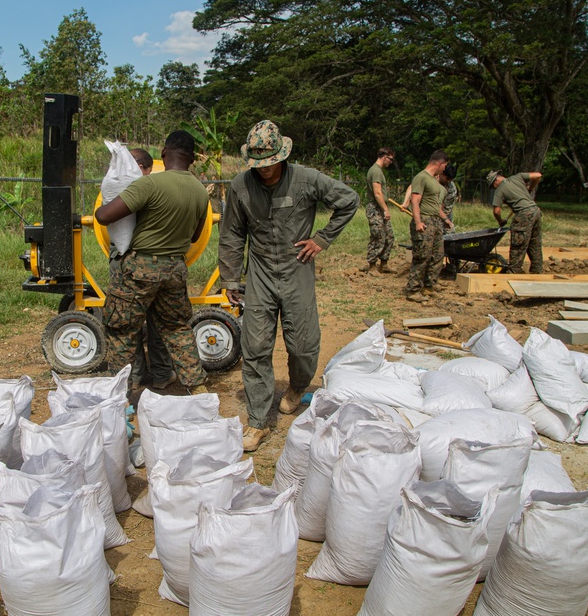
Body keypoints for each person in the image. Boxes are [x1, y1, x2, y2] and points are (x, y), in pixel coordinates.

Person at [219, 120, 360, 452]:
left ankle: (296, 388)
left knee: (303, 344)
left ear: (281, 155)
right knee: (254, 348)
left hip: (298, 270)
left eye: (269, 163)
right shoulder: (241, 186)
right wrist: (230, 277)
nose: (264, 171)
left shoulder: (307, 179)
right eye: (258, 165)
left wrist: (322, 239)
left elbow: (348, 200)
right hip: (260, 274)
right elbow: (232, 234)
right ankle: (257, 421)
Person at [96, 131, 209, 394]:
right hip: (175, 270)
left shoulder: (150, 185)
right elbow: (194, 236)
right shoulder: (201, 192)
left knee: (122, 331)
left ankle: (119, 397)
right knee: (177, 328)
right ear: (192, 158)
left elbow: (103, 216)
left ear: (164, 154)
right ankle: (198, 389)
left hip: (140, 270)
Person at [121, 148, 174, 389]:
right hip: (141, 262)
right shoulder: (144, 186)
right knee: (133, 321)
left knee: (149, 320)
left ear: (146, 168)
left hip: (141, 264)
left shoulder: (149, 187)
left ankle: (152, 374)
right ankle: (141, 375)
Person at [404, 150, 453, 302]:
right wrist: (418, 222)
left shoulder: (433, 181)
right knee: (422, 256)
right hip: (424, 220)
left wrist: (445, 219)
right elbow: (415, 201)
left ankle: (429, 286)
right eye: (444, 166)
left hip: (435, 222)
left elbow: (436, 205)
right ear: (439, 163)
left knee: (437, 255)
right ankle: (413, 290)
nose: (444, 169)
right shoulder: (421, 177)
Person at [486, 169, 544, 273]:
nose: (493, 189)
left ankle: (514, 272)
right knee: (534, 244)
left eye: (492, 186)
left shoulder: (500, 189)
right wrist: (531, 188)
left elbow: (496, 211)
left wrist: (500, 221)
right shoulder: (518, 177)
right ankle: (537, 272)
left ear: (496, 181)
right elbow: (538, 175)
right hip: (536, 211)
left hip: (524, 214)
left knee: (518, 244)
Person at [361, 147, 396, 274]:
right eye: (390, 159)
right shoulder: (375, 171)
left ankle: (384, 264)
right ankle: (372, 265)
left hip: (380, 208)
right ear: (384, 157)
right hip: (376, 208)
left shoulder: (378, 171)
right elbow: (377, 193)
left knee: (389, 236)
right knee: (378, 236)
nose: (391, 162)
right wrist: (385, 209)